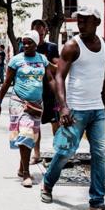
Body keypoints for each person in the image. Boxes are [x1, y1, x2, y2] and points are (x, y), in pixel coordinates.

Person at [40, 6, 105, 210]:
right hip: (75, 110)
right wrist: (63, 106)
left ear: (97, 22)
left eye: (85, 20)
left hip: (98, 111)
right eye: (79, 20)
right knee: (66, 152)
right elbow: (59, 77)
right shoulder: (72, 46)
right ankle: (47, 184)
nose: (81, 24)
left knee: (100, 155)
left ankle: (97, 201)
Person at [0, 30, 51, 188]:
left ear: (36, 43)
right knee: (26, 133)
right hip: (19, 103)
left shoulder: (42, 60)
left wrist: (60, 102)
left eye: (29, 42)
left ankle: (21, 167)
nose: (25, 45)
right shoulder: (16, 60)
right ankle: (26, 174)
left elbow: (50, 81)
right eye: (23, 42)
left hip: (37, 104)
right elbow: (6, 83)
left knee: (31, 136)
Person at [30, 19, 60, 165]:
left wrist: (48, 62)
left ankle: (58, 152)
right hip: (34, 92)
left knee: (56, 122)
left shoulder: (52, 47)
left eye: (42, 33)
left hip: (50, 92)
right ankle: (36, 154)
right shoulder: (27, 48)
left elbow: (58, 66)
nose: (40, 36)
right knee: (35, 124)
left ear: (46, 32)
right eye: (37, 33)